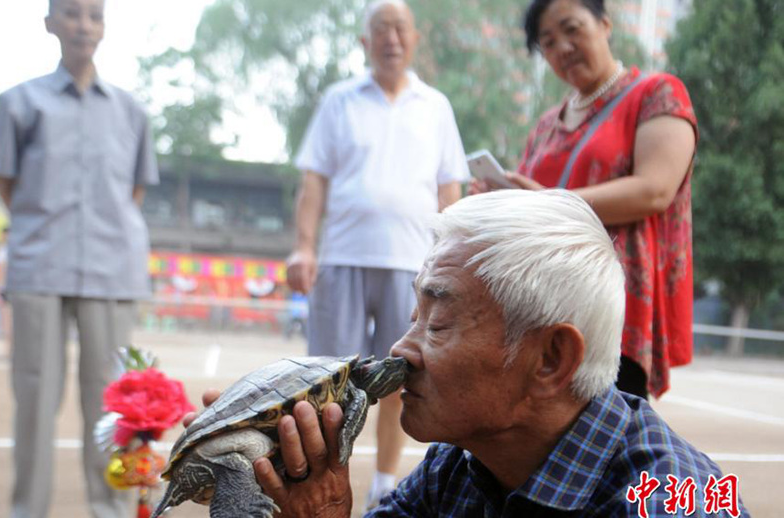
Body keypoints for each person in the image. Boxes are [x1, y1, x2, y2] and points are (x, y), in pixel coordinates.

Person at [191, 190, 748, 517]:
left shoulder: (675, 502)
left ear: (551, 359)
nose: (400, 350)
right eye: (416, 316)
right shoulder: (460, 463)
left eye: (440, 323)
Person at [286, 0, 470, 507]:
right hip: (342, 257)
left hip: (411, 264)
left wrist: (445, 259)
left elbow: (448, 189)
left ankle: (385, 483)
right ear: (365, 42)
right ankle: (324, 484)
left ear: (415, 40)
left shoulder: (436, 106)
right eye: (380, 29)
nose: (391, 38)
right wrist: (304, 246)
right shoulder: (338, 101)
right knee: (327, 383)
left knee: (399, 377)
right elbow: (314, 182)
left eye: (400, 29)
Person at [473, 0, 697, 400]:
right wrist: (498, 203)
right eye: (549, 42)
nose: (562, 47)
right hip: (539, 303)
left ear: (606, 24)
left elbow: (654, 189)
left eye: (572, 29)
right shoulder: (545, 125)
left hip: (609, 306)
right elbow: (528, 210)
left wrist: (549, 201)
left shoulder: (656, 93)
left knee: (603, 437)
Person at [0, 0, 159, 516]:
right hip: (40, 267)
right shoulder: (19, 103)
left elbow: (134, 190)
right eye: (71, 13)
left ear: (103, 27)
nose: (83, 24)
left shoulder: (131, 110)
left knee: (111, 405)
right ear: (50, 24)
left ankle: (108, 509)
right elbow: (7, 182)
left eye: (93, 15)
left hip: (111, 271)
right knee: (35, 400)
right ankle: (28, 509)